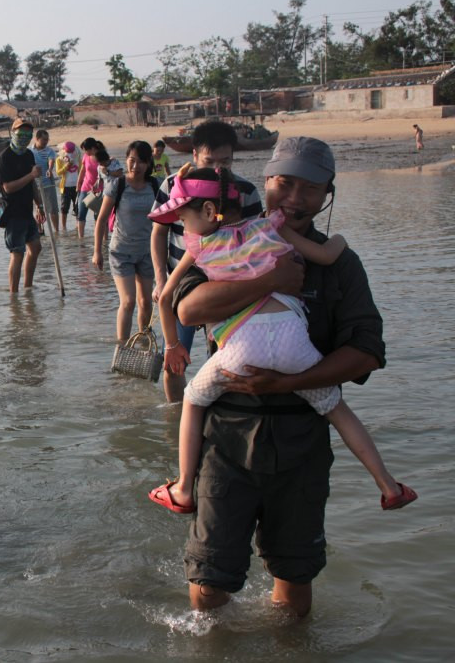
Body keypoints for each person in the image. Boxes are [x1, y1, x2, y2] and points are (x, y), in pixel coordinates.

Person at [169, 137, 399, 617]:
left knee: (293, 581)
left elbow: (366, 353)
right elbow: (188, 310)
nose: (295, 199)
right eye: (284, 184)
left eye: (310, 190)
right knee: (209, 583)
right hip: (227, 440)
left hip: (302, 444)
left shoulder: (338, 264)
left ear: (327, 196)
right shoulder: (226, 240)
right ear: (266, 183)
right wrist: (269, 281)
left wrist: (289, 382)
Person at [148, 163, 415, 517]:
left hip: (241, 348)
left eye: (183, 217)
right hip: (292, 339)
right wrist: (341, 241)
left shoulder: (199, 246)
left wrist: (173, 346)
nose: (182, 226)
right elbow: (327, 254)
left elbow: (166, 298)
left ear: (209, 212)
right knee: (336, 408)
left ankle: (182, 488)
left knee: (193, 400)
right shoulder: (269, 227)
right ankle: (388, 486)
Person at [150, 120, 263, 402]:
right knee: (173, 362)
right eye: (209, 161)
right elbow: (158, 232)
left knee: (229, 361)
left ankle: (217, 416)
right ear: (194, 157)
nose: (217, 169)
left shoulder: (245, 192)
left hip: (226, 288)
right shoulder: (174, 185)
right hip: (182, 284)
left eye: (224, 162)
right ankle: (176, 417)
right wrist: (161, 279)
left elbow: (254, 246)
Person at [93, 141, 159, 342]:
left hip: (148, 253)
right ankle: (122, 347)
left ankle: (142, 342)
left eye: (141, 162)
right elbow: (102, 219)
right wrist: (97, 251)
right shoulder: (117, 185)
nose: (135, 166)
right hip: (121, 252)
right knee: (129, 301)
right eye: (131, 160)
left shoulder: (156, 185)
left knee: (146, 302)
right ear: (126, 160)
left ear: (149, 164)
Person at [0, 118, 46, 293]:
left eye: (28, 135)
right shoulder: (5, 158)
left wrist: (39, 205)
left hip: (27, 211)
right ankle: (13, 295)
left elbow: (33, 185)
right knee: (17, 253)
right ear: (13, 133)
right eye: (21, 134)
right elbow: (8, 188)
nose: (24, 137)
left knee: (36, 248)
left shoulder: (28, 155)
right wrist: (31, 175)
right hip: (12, 212)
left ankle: (28, 287)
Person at [32, 129, 60, 232]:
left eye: (47, 140)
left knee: (53, 209)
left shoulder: (50, 151)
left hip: (48, 183)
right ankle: (40, 231)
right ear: (37, 139)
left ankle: (56, 231)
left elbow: (51, 160)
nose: (46, 142)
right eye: (44, 139)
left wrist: (49, 169)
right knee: (38, 209)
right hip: (35, 185)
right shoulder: (30, 151)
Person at [74, 138, 102, 238]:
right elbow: (82, 170)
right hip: (85, 188)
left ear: (93, 148)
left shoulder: (102, 157)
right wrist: (78, 183)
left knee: (98, 216)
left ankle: (98, 237)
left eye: (86, 149)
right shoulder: (86, 156)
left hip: (99, 190)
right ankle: (81, 239)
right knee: (81, 213)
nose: (85, 152)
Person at [55, 141, 81, 232]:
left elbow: (81, 172)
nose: (70, 153)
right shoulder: (59, 159)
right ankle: (64, 227)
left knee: (77, 207)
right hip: (65, 187)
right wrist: (67, 165)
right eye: (68, 151)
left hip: (77, 186)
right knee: (64, 208)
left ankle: (78, 226)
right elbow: (58, 172)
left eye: (71, 151)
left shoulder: (77, 158)